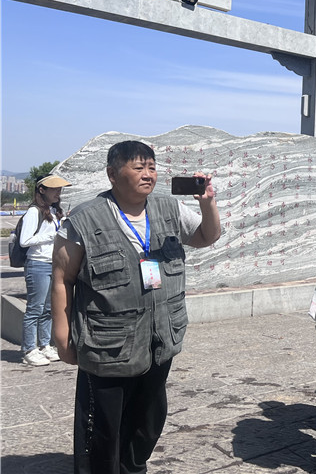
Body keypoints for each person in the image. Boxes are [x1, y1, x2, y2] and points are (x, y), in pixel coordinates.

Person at [51, 140, 220, 474]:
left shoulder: (167, 209)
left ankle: (133, 466)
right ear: (113, 174)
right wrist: (61, 335)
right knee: (103, 425)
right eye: (138, 167)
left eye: (152, 167)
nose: (148, 174)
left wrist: (207, 205)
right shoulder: (85, 219)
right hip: (107, 345)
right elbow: (61, 278)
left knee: (149, 417)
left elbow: (206, 236)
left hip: (159, 339)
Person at [19, 174, 72, 366]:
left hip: (54, 264)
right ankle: (28, 349)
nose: (58, 192)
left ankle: (44, 345)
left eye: (60, 189)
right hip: (38, 264)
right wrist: (52, 237)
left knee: (49, 309)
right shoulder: (34, 212)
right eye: (54, 189)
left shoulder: (55, 211)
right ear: (42, 190)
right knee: (35, 308)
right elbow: (24, 241)